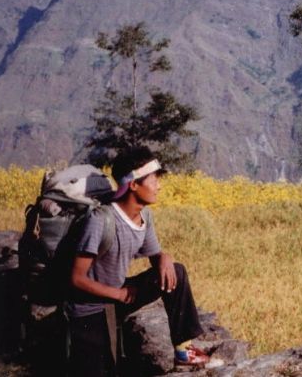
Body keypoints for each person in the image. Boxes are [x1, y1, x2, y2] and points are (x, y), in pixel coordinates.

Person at [67, 146, 211, 375]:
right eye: (153, 180)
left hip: (118, 296)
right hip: (90, 310)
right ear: (133, 184)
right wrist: (119, 294)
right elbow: (75, 279)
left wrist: (165, 258)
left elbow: (156, 258)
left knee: (177, 271)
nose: (159, 186)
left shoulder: (145, 216)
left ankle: (183, 350)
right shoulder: (101, 220)